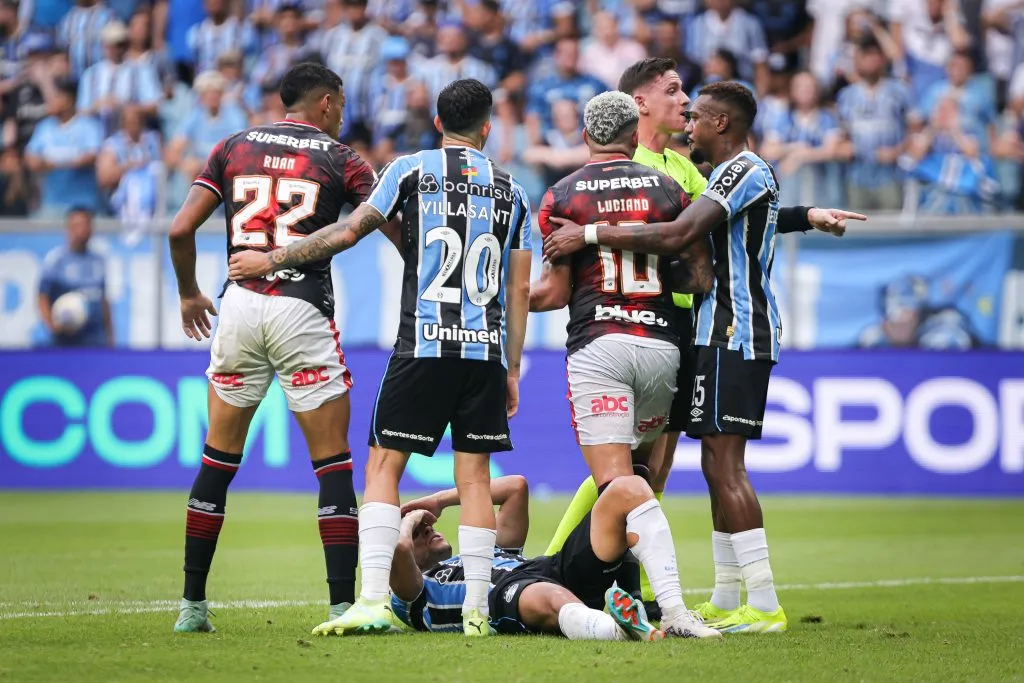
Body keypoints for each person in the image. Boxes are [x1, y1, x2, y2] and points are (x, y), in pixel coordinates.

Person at [541, 58, 864, 622]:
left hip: (705, 330)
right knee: (646, 469)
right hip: (675, 331)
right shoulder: (659, 170)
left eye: (693, 102)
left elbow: (691, 227)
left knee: (659, 469)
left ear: (720, 123)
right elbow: (717, 220)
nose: (687, 109)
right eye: (674, 93)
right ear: (637, 105)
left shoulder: (689, 170)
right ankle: (607, 574)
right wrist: (806, 215)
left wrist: (586, 234)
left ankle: (731, 597)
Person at [227, 78, 533, 637]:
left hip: (424, 345)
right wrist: (512, 367)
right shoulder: (514, 191)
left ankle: (370, 600)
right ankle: (477, 612)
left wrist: (271, 260)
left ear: (438, 124)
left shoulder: (410, 169)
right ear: (488, 127)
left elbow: (347, 232)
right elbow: (517, 290)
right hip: (485, 353)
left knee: (383, 468)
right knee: (475, 479)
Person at [167, 63, 378, 633]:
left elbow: (180, 229)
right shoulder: (341, 158)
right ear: (328, 103)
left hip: (236, 307)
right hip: (300, 309)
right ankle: (340, 607)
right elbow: (387, 223)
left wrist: (189, 294)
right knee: (332, 463)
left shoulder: (234, 146)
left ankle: (191, 608)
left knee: (217, 461)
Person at [528, 90, 718, 640]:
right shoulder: (668, 187)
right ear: (635, 137)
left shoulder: (562, 195)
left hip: (600, 346)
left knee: (617, 486)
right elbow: (699, 277)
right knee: (642, 483)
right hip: (662, 348)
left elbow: (557, 293)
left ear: (585, 138)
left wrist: (511, 295)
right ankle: (641, 599)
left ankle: (649, 606)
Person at [366, 475, 703, 641]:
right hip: (503, 600)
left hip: (548, 568)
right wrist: (406, 519)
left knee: (628, 488)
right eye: (419, 532)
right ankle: (618, 629)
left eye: (426, 526)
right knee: (544, 594)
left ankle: (674, 614)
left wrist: (439, 501)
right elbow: (398, 550)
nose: (427, 528)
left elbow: (516, 487)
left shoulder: (484, 549)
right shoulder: (410, 596)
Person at [37, 207, 113, 347]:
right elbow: (42, 297)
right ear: (68, 228)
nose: (82, 230)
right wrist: (52, 325)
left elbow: (104, 300)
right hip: (67, 341)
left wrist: (110, 337)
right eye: (77, 225)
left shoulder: (98, 260)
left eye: (86, 225)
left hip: (96, 340)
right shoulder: (56, 260)